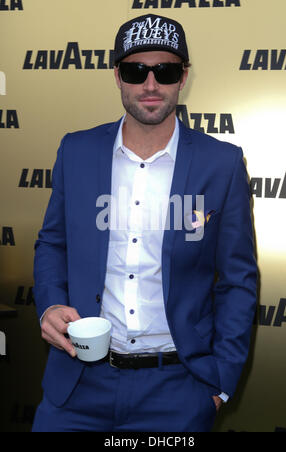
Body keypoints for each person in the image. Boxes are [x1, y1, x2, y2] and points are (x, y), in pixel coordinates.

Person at [32, 14, 257, 432]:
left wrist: (219, 384)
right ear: (117, 76)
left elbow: (237, 281)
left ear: (183, 77)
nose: (150, 85)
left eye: (165, 70)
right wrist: (48, 303)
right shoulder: (76, 151)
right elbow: (53, 243)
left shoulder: (221, 164)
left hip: (178, 391)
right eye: (136, 70)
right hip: (77, 385)